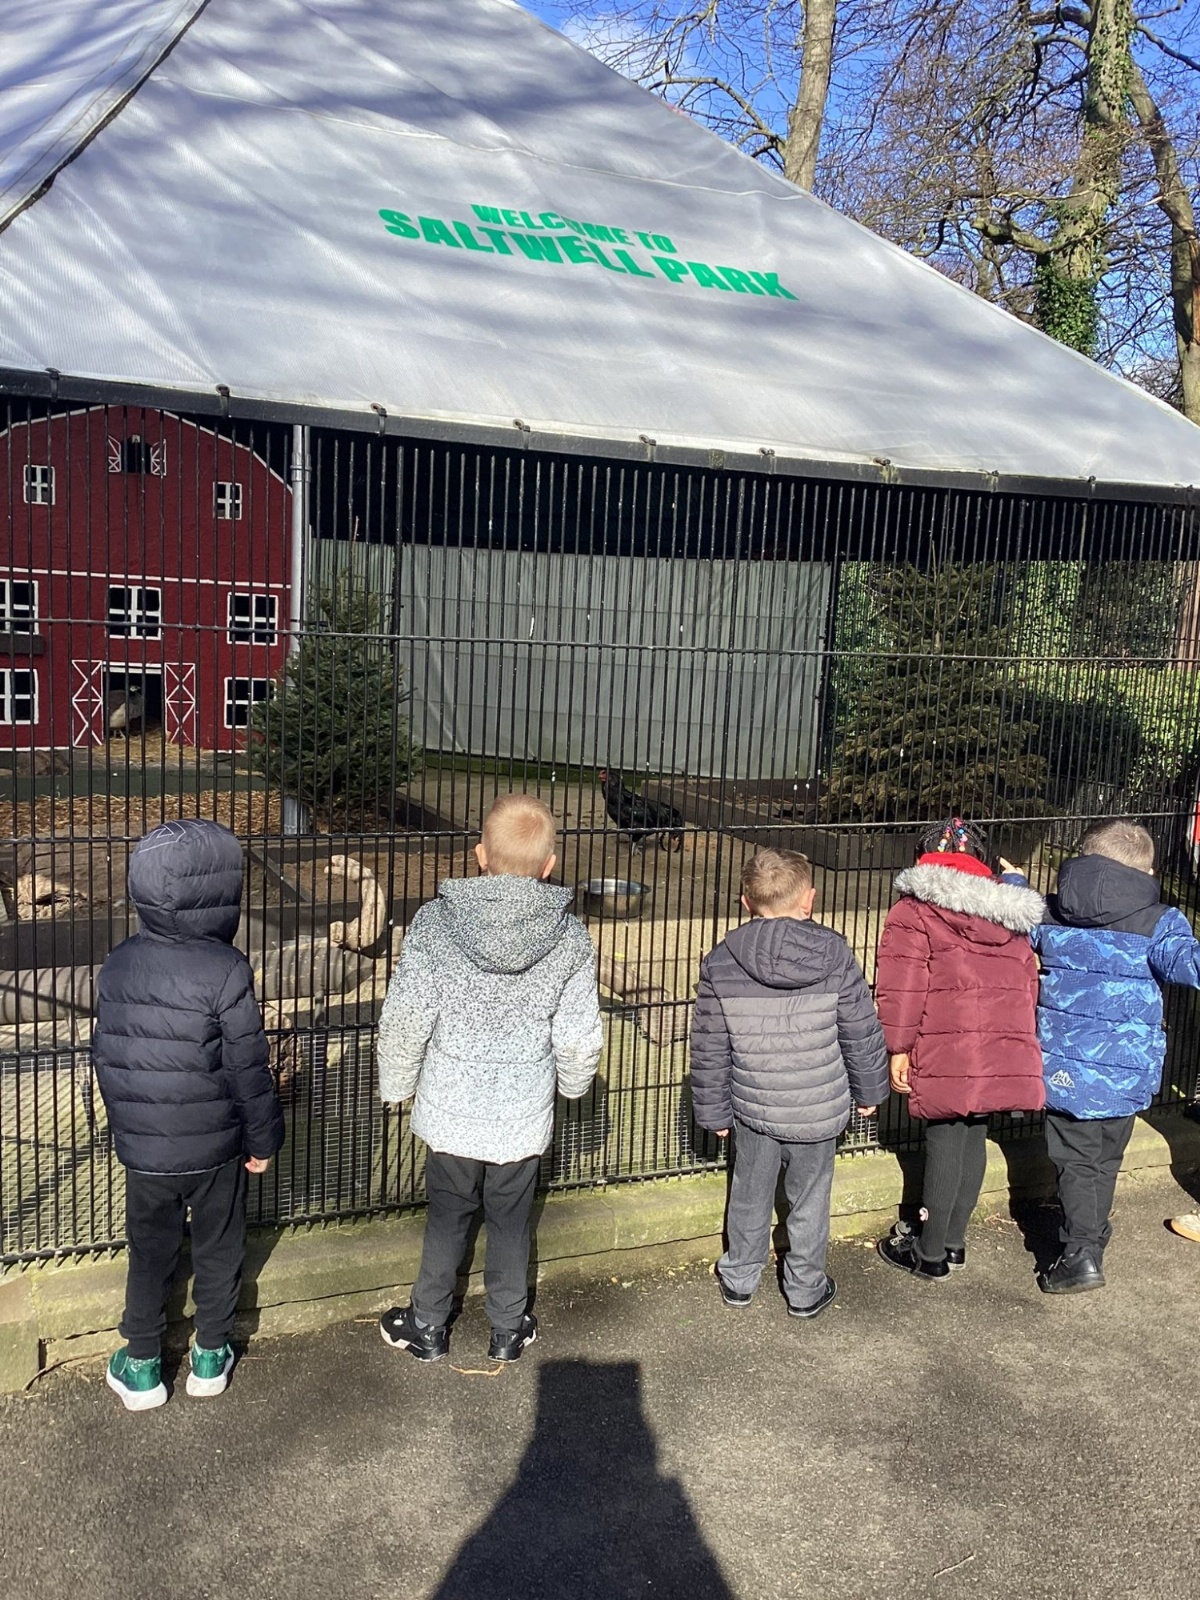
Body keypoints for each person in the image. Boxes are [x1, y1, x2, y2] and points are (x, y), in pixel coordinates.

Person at [376, 793, 603, 1363]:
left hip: (450, 1111)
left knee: (446, 1218)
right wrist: (574, 1085)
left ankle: (428, 1324)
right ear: (549, 866)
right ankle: (506, 1328)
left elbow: (405, 1017)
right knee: (510, 1221)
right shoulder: (570, 937)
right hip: (521, 1116)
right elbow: (578, 1035)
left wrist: (396, 1083)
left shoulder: (434, 925)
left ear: (480, 855)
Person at [92, 819, 284, 1411]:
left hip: (147, 1153)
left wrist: (126, 1129)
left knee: (149, 1250)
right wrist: (263, 1139)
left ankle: (142, 1364)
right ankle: (209, 1354)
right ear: (223, 891)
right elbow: (248, 1066)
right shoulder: (226, 968)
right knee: (219, 1245)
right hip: (217, 1149)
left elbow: (107, 1056)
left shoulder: (118, 963)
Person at [1002, 821, 1200, 1291]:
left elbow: (1017, 918)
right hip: (1128, 1070)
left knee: (1076, 1161)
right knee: (1105, 1157)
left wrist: (1013, 883)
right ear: (1147, 871)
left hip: (1067, 1068)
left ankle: (1081, 1254)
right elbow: (1190, 965)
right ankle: (1089, 1234)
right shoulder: (1160, 921)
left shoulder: (1051, 912)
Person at [690, 848, 887, 1317]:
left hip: (753, 1108)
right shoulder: (835, 953)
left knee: (749, 1192)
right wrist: (869, 1089)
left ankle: (739, 1277)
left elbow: (710, 1044)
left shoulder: (722, 960)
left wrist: (714, 1112)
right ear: (809, 899)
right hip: (818, 1108)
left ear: (746, 902)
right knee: (810, 1199)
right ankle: (804, 1288)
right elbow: (859, 1027)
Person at [874, 817, 1045, 1281]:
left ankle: (928, 1253)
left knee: (945, 1137)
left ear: (923, 858)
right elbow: (1027, 982)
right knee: (974, 1133)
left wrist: (898, 1047)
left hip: (945, 1040)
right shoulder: (1008, 912)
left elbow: (902, 986)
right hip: (1000, 1043)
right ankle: (953, 1242)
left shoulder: (913, 910)